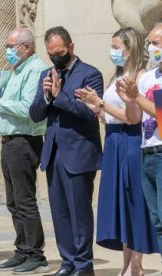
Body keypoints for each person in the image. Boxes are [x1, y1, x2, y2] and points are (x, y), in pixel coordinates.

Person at [75, 27, 159, 276]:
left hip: (132, 141)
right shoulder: (115, 77)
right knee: (120, 203)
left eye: (116, 47)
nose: (113, 52)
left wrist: (103, 106)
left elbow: (132, 118)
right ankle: (126, 263)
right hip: (113, 140)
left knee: (135, 202)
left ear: (130, 48)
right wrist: (96, 107)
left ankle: (137, 265)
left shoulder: (140, 77)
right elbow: (110, 116)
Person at [29, 26, 103, 276]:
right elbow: (35, 114)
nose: (55, 58)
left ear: (71, 47)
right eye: (51, 55)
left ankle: (83, 265)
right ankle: (68, 261)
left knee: (79, 211)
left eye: (59, 53)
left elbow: (90, 113)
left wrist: (60, 96)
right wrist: (47, 95)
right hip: (54, 153)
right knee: (59, 212)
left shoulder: (90, 74)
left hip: (79, 153)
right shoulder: (46, 75)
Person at [0, 28, 49, 274]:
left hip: (24, 140)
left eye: (11, 45)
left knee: (25, 200)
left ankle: (36, 253)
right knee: (13, 201)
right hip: (9, 140)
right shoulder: (17, 70)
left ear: (26, 47)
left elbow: (27, 108)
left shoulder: (36, 69)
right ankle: (22, 250)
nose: (7, 50)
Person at [117, 23, 162, 260]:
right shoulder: (148, 79)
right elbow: (135, 118)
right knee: (157, 220)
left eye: (156, 43)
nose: (151, 48)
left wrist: (136, 97)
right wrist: (128, 100)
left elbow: (160, 113)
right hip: (147, 153)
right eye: (149, 43)